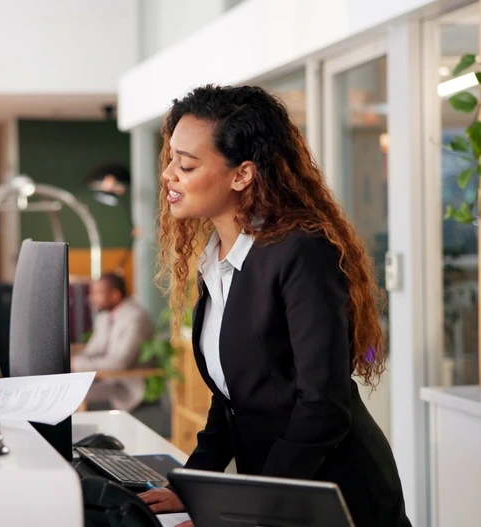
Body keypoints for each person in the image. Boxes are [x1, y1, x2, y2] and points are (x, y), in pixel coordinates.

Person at [138, 85, 411, 527]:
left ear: (242, 175)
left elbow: (323, 407)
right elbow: (231, 401)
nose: (169, 174)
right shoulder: (218, 261)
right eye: (171, 159)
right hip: (277, 494)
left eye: (186, 164)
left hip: (336, 497)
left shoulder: (301, 253)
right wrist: (187, 486)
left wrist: (250, 512)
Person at [71, 273, 155, 411]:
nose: (91, 298)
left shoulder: (136, 317)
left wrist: (76, 364)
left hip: (126, 385)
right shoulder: (104, 316)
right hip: (104, 378)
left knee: (72, 392)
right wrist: (69, 361)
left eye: (97, 293)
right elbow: (93, 350)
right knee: (65, 387)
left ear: (115, 295)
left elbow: (120, 363)